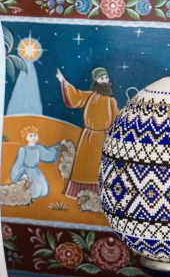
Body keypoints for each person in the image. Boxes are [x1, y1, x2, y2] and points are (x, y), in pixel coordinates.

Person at [56, 66, 119, 200]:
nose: (105, 80)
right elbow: (75, 96)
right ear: (96, 81)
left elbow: (116, 117)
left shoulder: (111, 100)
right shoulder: (89, 96)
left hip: (104, 137)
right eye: (101, 78)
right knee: (85, 164)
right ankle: (80, 193)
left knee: (102, 166)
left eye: (106, 77)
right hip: (89, 137)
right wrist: (63, 81)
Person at [9, 126, 60, 201]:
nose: (33, 137)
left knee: (43, 190)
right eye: (30, 135)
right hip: (27, 171)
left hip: (36, 172)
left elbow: (48, 153)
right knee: (30, 189)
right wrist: (22, 174)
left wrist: (57, 147)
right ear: (26, 137)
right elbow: (19, 163)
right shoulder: (23, 149)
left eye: (35, 135)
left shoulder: (38, 148)